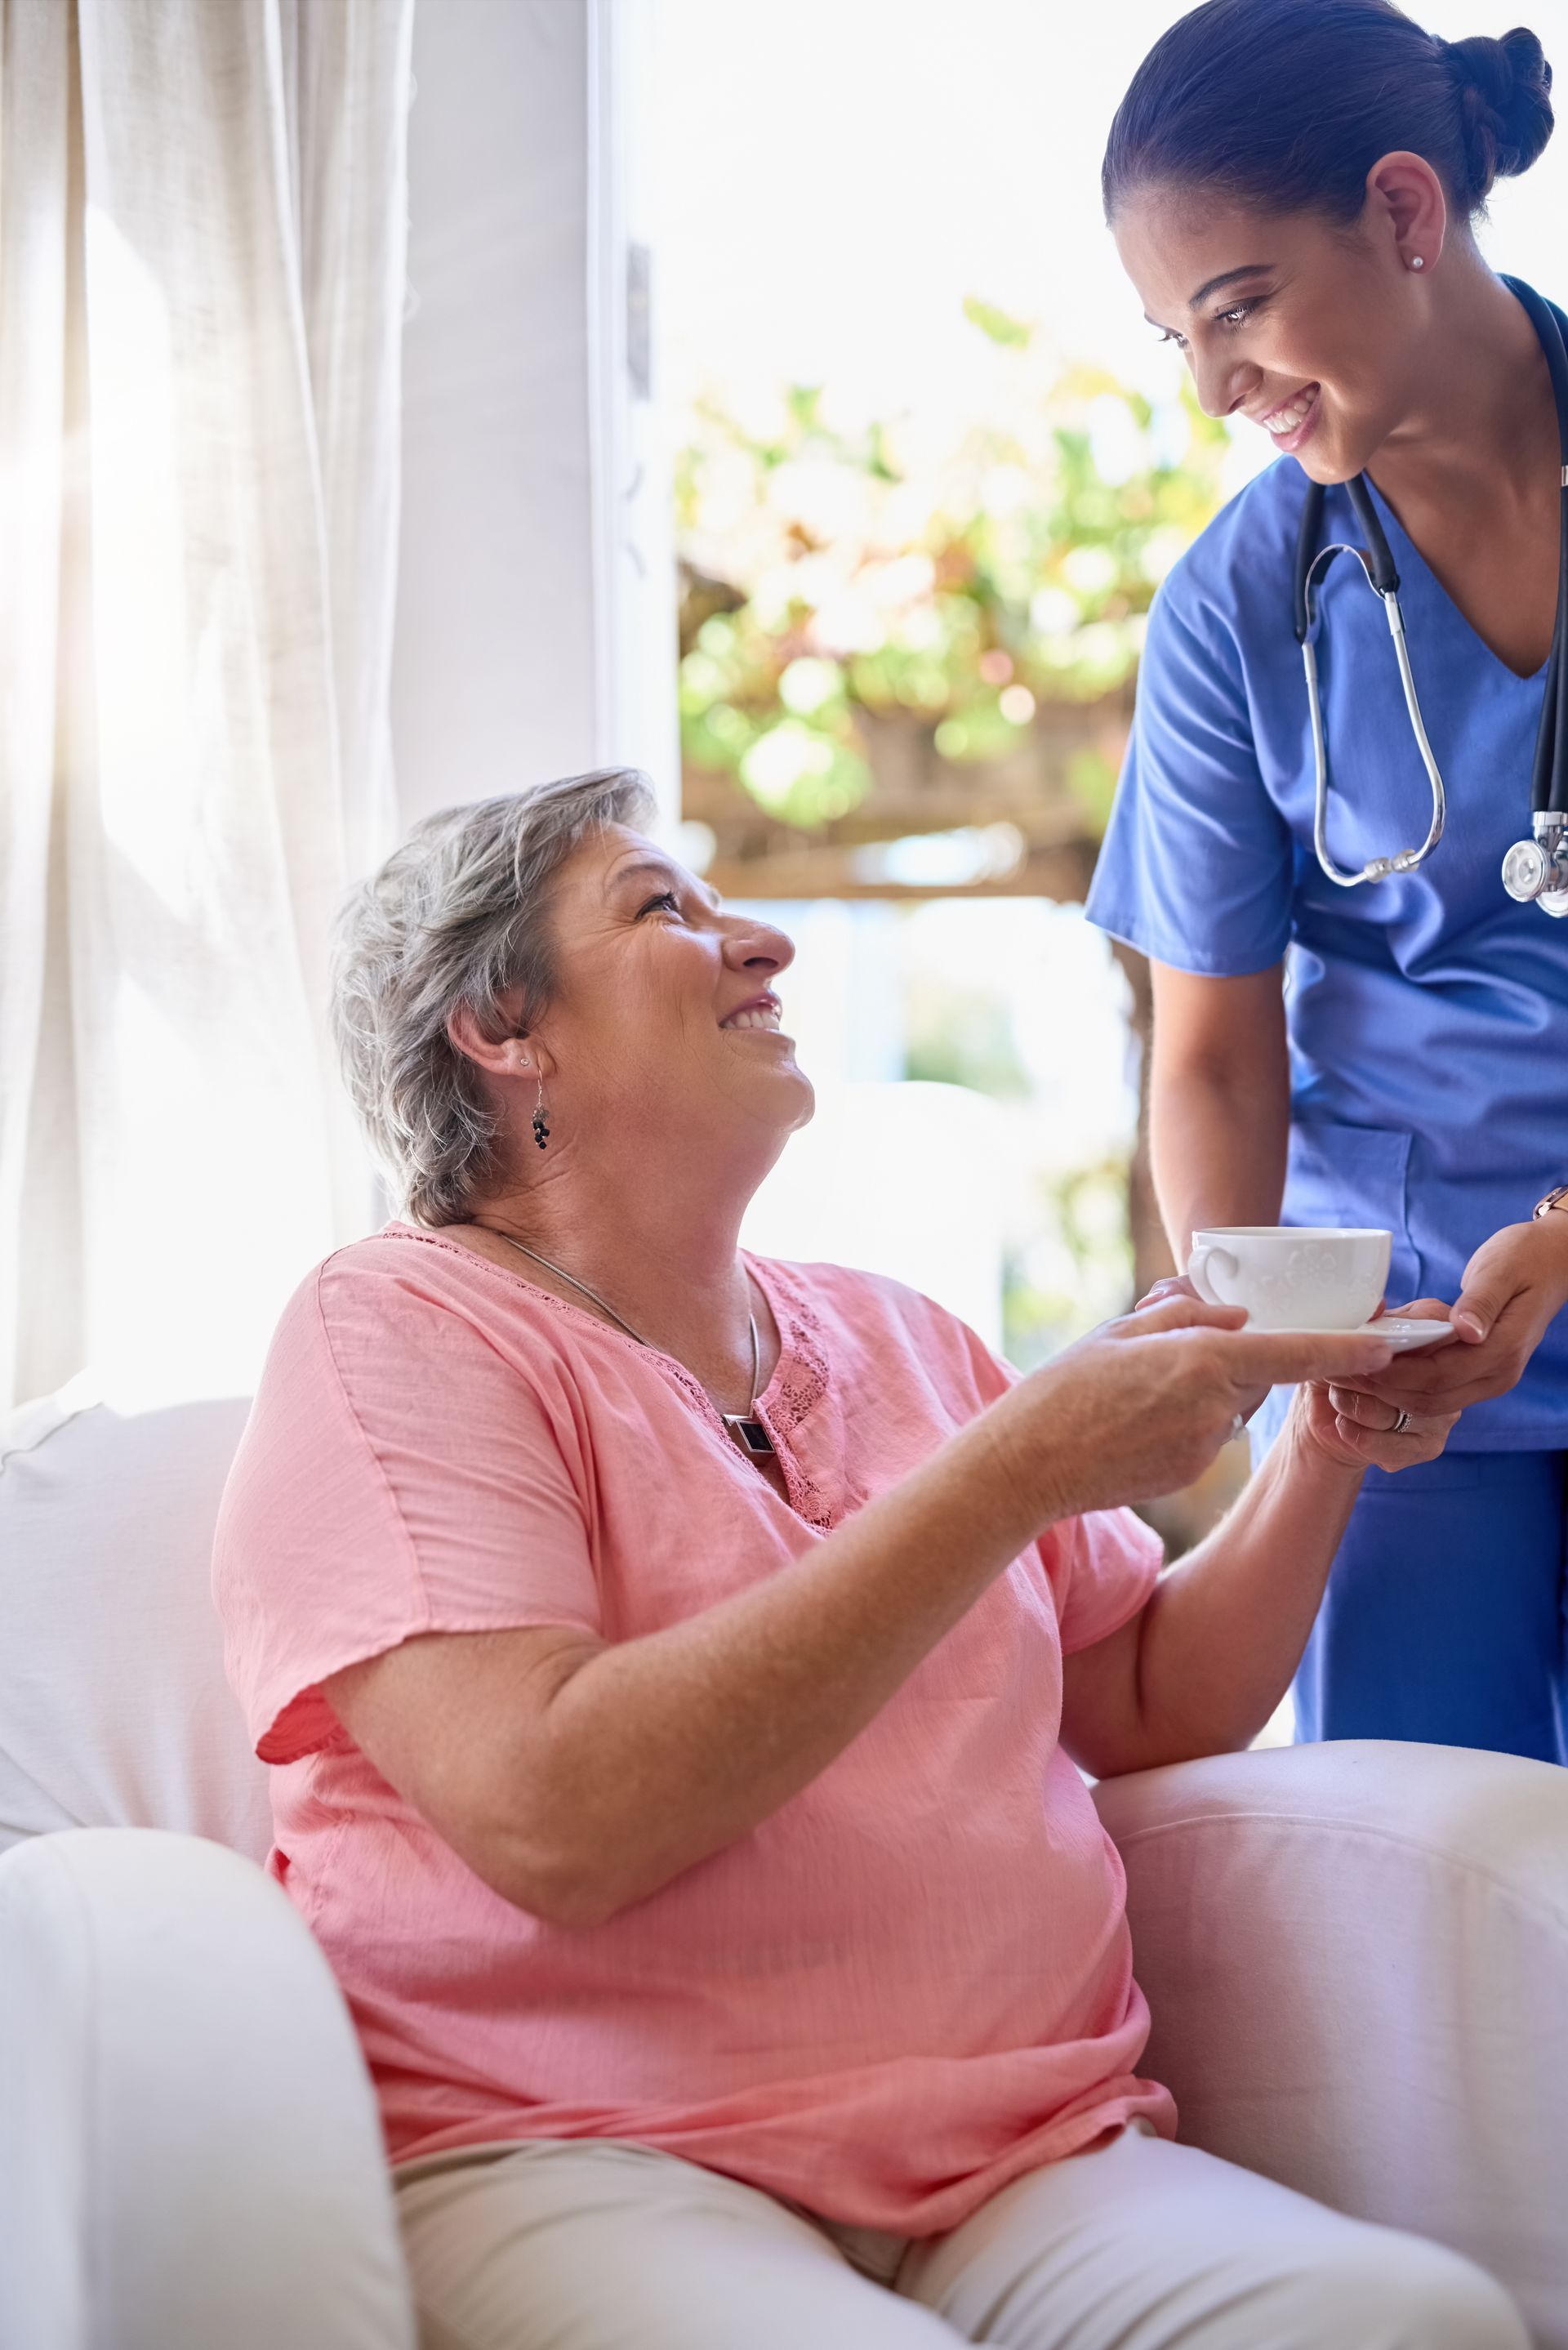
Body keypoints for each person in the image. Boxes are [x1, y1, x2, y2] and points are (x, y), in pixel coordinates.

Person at [213, 769, 1521, 2350]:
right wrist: (1018, 1462)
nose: (760, 942)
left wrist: (1326, 1439)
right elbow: (554, 1813)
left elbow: (1151, 1692)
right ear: (503, 1028)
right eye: (664, 908)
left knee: (1412, 2322)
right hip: (591, 2148)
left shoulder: (897, 1331)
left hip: (1025, 2150)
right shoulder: (398, 1330)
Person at [1086, 0, 1568, 1758]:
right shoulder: (1237, 605)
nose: (1215, 388)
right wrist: (1259, 1333)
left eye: (1240, 305)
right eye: (1174, 336)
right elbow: (1214, 1050)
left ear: (1408, 210)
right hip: (1410, 1372)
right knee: (1430, 1915)